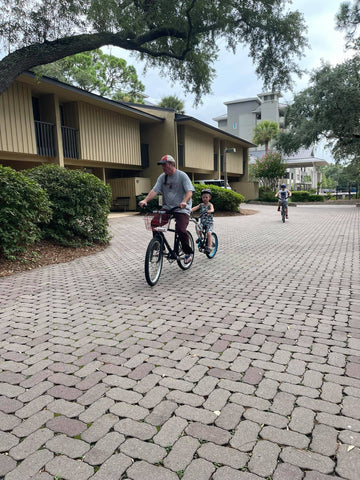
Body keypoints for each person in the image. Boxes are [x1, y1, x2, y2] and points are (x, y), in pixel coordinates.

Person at [139, 154, 195, 263]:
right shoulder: (162, 177)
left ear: (172, 164)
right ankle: (160, 247)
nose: (163, 168)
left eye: (165, 165)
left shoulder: (182, 176)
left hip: (181, 208)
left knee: (180, 229)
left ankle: (188, 252)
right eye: (162, 166)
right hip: (167, 207)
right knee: (154, 223)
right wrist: (145, 200)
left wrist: (184, 201)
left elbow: (189, 191)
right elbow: (155, 190)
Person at [191, 188, 214, 253]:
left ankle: (209, 247)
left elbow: (212, 209)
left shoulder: (210, 205)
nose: (205, 199)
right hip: (202, 222)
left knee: (209, 233)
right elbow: (195, 208)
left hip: (209, 223)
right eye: (203, 197)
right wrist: (189, 210)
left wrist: (211, 211)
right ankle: (201, 238)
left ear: (209, 198)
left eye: (206, 197)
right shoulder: (201, 205)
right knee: (198, 229)